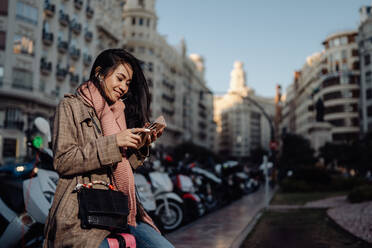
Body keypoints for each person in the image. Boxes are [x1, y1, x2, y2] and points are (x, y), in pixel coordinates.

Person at [43, 49, 174, 248]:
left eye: (128, 83)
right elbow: (63, 160)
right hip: (84, 213)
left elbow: (119, 168)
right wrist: (114, 142)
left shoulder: (117, 113)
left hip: (121, 210)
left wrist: (140, 146)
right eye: (120, 79)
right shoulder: (71, 106)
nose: (123, 87)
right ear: (99, 73)